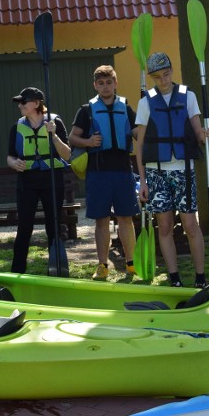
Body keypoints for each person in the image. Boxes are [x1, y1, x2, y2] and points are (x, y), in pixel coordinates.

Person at [134, 52, 209, 288]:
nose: (163, 80)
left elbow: (198, 132)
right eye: (157, 77)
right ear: (152, 78)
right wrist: (143, 180)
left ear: (172, 71)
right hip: (156, 171)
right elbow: (139, 144)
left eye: (166, 74)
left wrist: (205, 136)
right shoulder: (145, 101)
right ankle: (175, 278)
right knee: (165, 226)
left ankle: (200, 277)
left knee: (190, 224)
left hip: (183, 169)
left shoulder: (187, 96)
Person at [68, 65, 139, 280]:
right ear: (95, 85)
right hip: (98, 172)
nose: (105, 86)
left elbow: (138, 133)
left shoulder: (126, 107)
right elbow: (72, 138)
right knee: (101, 220)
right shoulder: (86, 110)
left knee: (126, 218)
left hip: (123, 170)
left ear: (115, 83)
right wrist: (88, 142)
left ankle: (131, 264)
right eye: (101, 83)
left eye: (109, 82)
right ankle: (102, 265)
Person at [7, 87, 71, 274]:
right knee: (24, 226)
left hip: (51, 179)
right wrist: (14, 163)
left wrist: (54, 135)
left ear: (36, 104)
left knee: (53, 224)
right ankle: (17, 270)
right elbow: (9, 156)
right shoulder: (16, 127)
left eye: (23, 102)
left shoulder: (55, 122)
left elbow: (67, 154)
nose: (20, 105)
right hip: (27, 181)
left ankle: (57, 267)